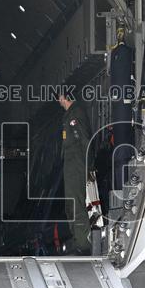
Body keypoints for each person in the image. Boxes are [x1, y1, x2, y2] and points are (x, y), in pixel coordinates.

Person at [57, 91, 93, 255]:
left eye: (59, 98)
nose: (58, 101)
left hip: (77, 161)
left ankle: (83, 241)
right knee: (70, 202)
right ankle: (77, 238)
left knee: (76, 201)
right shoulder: (69, 114)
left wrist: (88, 164)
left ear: (64, 97)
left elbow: (84, 139)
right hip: (70, 162)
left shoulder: (76, 112)